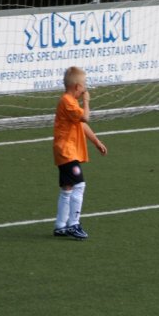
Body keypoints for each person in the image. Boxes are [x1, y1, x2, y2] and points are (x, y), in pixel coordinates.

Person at [53, 66, 107, 239]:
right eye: (84, 84)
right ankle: (73, 224)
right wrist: (87, 101)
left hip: (65, 151)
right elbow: (85, 117)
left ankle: (60, 225)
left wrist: (96, 142)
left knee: (67, 188)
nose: (86, 88)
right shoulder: (67, 102)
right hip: (67, 151)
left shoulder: (70, 101)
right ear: (77, 87)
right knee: (79, 185)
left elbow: (81, 124)